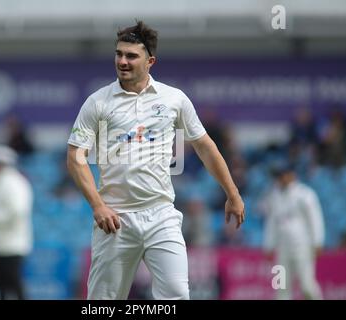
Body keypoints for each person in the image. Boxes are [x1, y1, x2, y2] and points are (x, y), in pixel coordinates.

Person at [67, 21, 245, 300]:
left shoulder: (174, 99)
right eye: (119, 54)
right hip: (115, 219)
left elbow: (205, 146)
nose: (122, 61)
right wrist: (98, 206)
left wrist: (232, 193)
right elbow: (75, 157)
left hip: (161, 214)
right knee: (103, 302)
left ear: (150, 61)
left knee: (176, 295)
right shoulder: (97, 102)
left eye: (131, 56)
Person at [262, 162, 325, 300]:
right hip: (282, 249)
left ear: (291, 175)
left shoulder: (305, 194)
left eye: (282, 175)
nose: (279, 179)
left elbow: (315, 218)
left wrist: (317, 241)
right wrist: (269, 245)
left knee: (307, 286)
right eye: (278, 176)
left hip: (302, 247)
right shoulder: (274, 196)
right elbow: (272, 222)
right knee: (281, 287)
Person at [0, 145, 33, 300]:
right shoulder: (3, 181)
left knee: (12, 285)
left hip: (10, 244)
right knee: (4, 287)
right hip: (1, 243)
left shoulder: (12, 182)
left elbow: (18, 210)